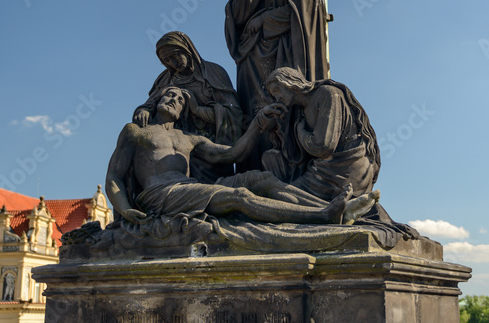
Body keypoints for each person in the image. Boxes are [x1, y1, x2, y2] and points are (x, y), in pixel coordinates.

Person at [107, 86, 379, 230]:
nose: (174, 100)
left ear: (183, 111)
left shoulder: (188, 139)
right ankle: (323, 216)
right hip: (160, 193)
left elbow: (233, 153)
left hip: (186, 190)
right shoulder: (136, 132)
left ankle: (331, 206)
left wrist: (258, 124)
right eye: (170, 95)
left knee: (258, 179)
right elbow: (115, 176)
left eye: (180, 99)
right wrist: (124, 209)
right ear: (157, 100)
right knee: (239, 197)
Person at [225, 0, 329, 132]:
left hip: (288, 51)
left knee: (287, 110)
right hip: (253, 59)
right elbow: (236, 17)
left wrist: (265, 18)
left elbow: (306, 12)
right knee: (257, 112)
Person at [133, 31, 242, 182]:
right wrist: (143, 111)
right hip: (174, 147)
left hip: (208, 148)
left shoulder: (213, 73)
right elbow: (150, 105)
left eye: (175, 55)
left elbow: (233, 113)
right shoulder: (165, 80)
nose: (173, 62)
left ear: (186, 49)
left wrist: (198, 110)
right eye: (167, 60)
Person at [262, 66, 380, 201]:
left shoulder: (327, 93)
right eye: (273, 94)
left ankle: (336, 210)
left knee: (286, 197)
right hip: (330, 169)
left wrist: (300, 131)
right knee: (283, 193)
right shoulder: (303, 110)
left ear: (289, 82)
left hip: (347, 170)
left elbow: (323, 146)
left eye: (277, 90)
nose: (277, 97)